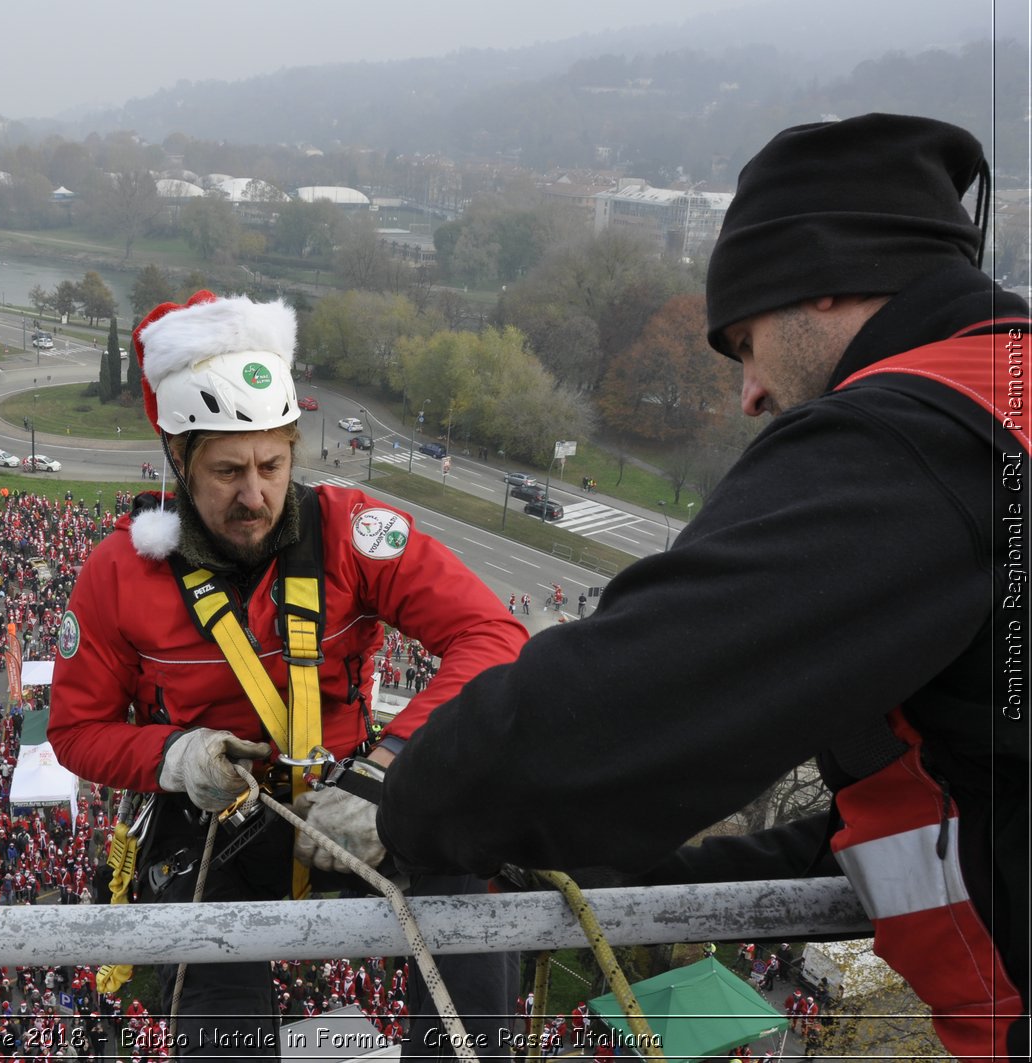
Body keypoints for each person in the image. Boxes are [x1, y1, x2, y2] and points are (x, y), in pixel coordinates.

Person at [377, 113, 1029, 1061]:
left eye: (744, 340)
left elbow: (599, 714)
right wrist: (637, 877)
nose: (748, 394)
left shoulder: (918, 432)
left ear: (827, 278)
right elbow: (952, 810)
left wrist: (416, 804)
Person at [49, 291, 527, 1058]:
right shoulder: (118, 572)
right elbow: (75, 728)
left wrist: (387, 770)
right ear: (178, 458)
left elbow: (494, 636)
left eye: (273, 465)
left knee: (469, 903)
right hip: (210, 831)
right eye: (228, 470)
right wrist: (172, 755)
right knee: (222, 1015)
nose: (255, 494)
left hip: (347, 797)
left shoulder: (349, 531)